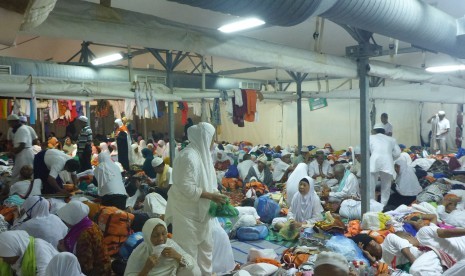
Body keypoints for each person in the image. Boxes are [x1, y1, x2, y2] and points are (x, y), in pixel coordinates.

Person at [165, 122, 227, 275]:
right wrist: (211, 196)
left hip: (201, 213)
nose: (213, 142)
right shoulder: (189, 156)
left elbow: (207, 181)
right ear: (203, 138)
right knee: (188, 253)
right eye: (211, 138)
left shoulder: (201, 155)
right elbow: (187, 187)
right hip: (187, 214)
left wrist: (216, 195)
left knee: (206, 249)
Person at [124, 218, 200, 276]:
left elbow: (190, 263)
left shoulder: (170, 244)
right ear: (148, 237)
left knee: (195, 271)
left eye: (164, 234)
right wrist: (146, 269)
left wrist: (177, 256)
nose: (161, 239)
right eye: (155, 236)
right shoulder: (140, 251)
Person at [57, 201, 111, 276]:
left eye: (66, 220)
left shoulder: (84, 236)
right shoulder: (87, 223)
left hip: (97, 272)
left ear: (73, 219)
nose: (64, 222)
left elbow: (85, 267)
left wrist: (65, 250)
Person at [370, 123, 401, 205]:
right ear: (384, 131)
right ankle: (382, 207)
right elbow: (398, 153)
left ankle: (371, 206)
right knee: (386, 187)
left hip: (374, 162)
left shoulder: (370, 137)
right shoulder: (391, 139)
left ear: (374, 131)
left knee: (371, 187)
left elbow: (366, 151)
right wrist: (390, 157)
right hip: (388, 163)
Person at [8, 114, 35, 180]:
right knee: (21, 172)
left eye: (10, 123)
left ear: (15, 122)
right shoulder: (19, 129)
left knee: (20, 171)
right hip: (23, 153)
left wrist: (12, 152)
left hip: (24, 153)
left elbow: (22, 145)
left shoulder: (22, 130)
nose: (9, 125)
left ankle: (18, 187)